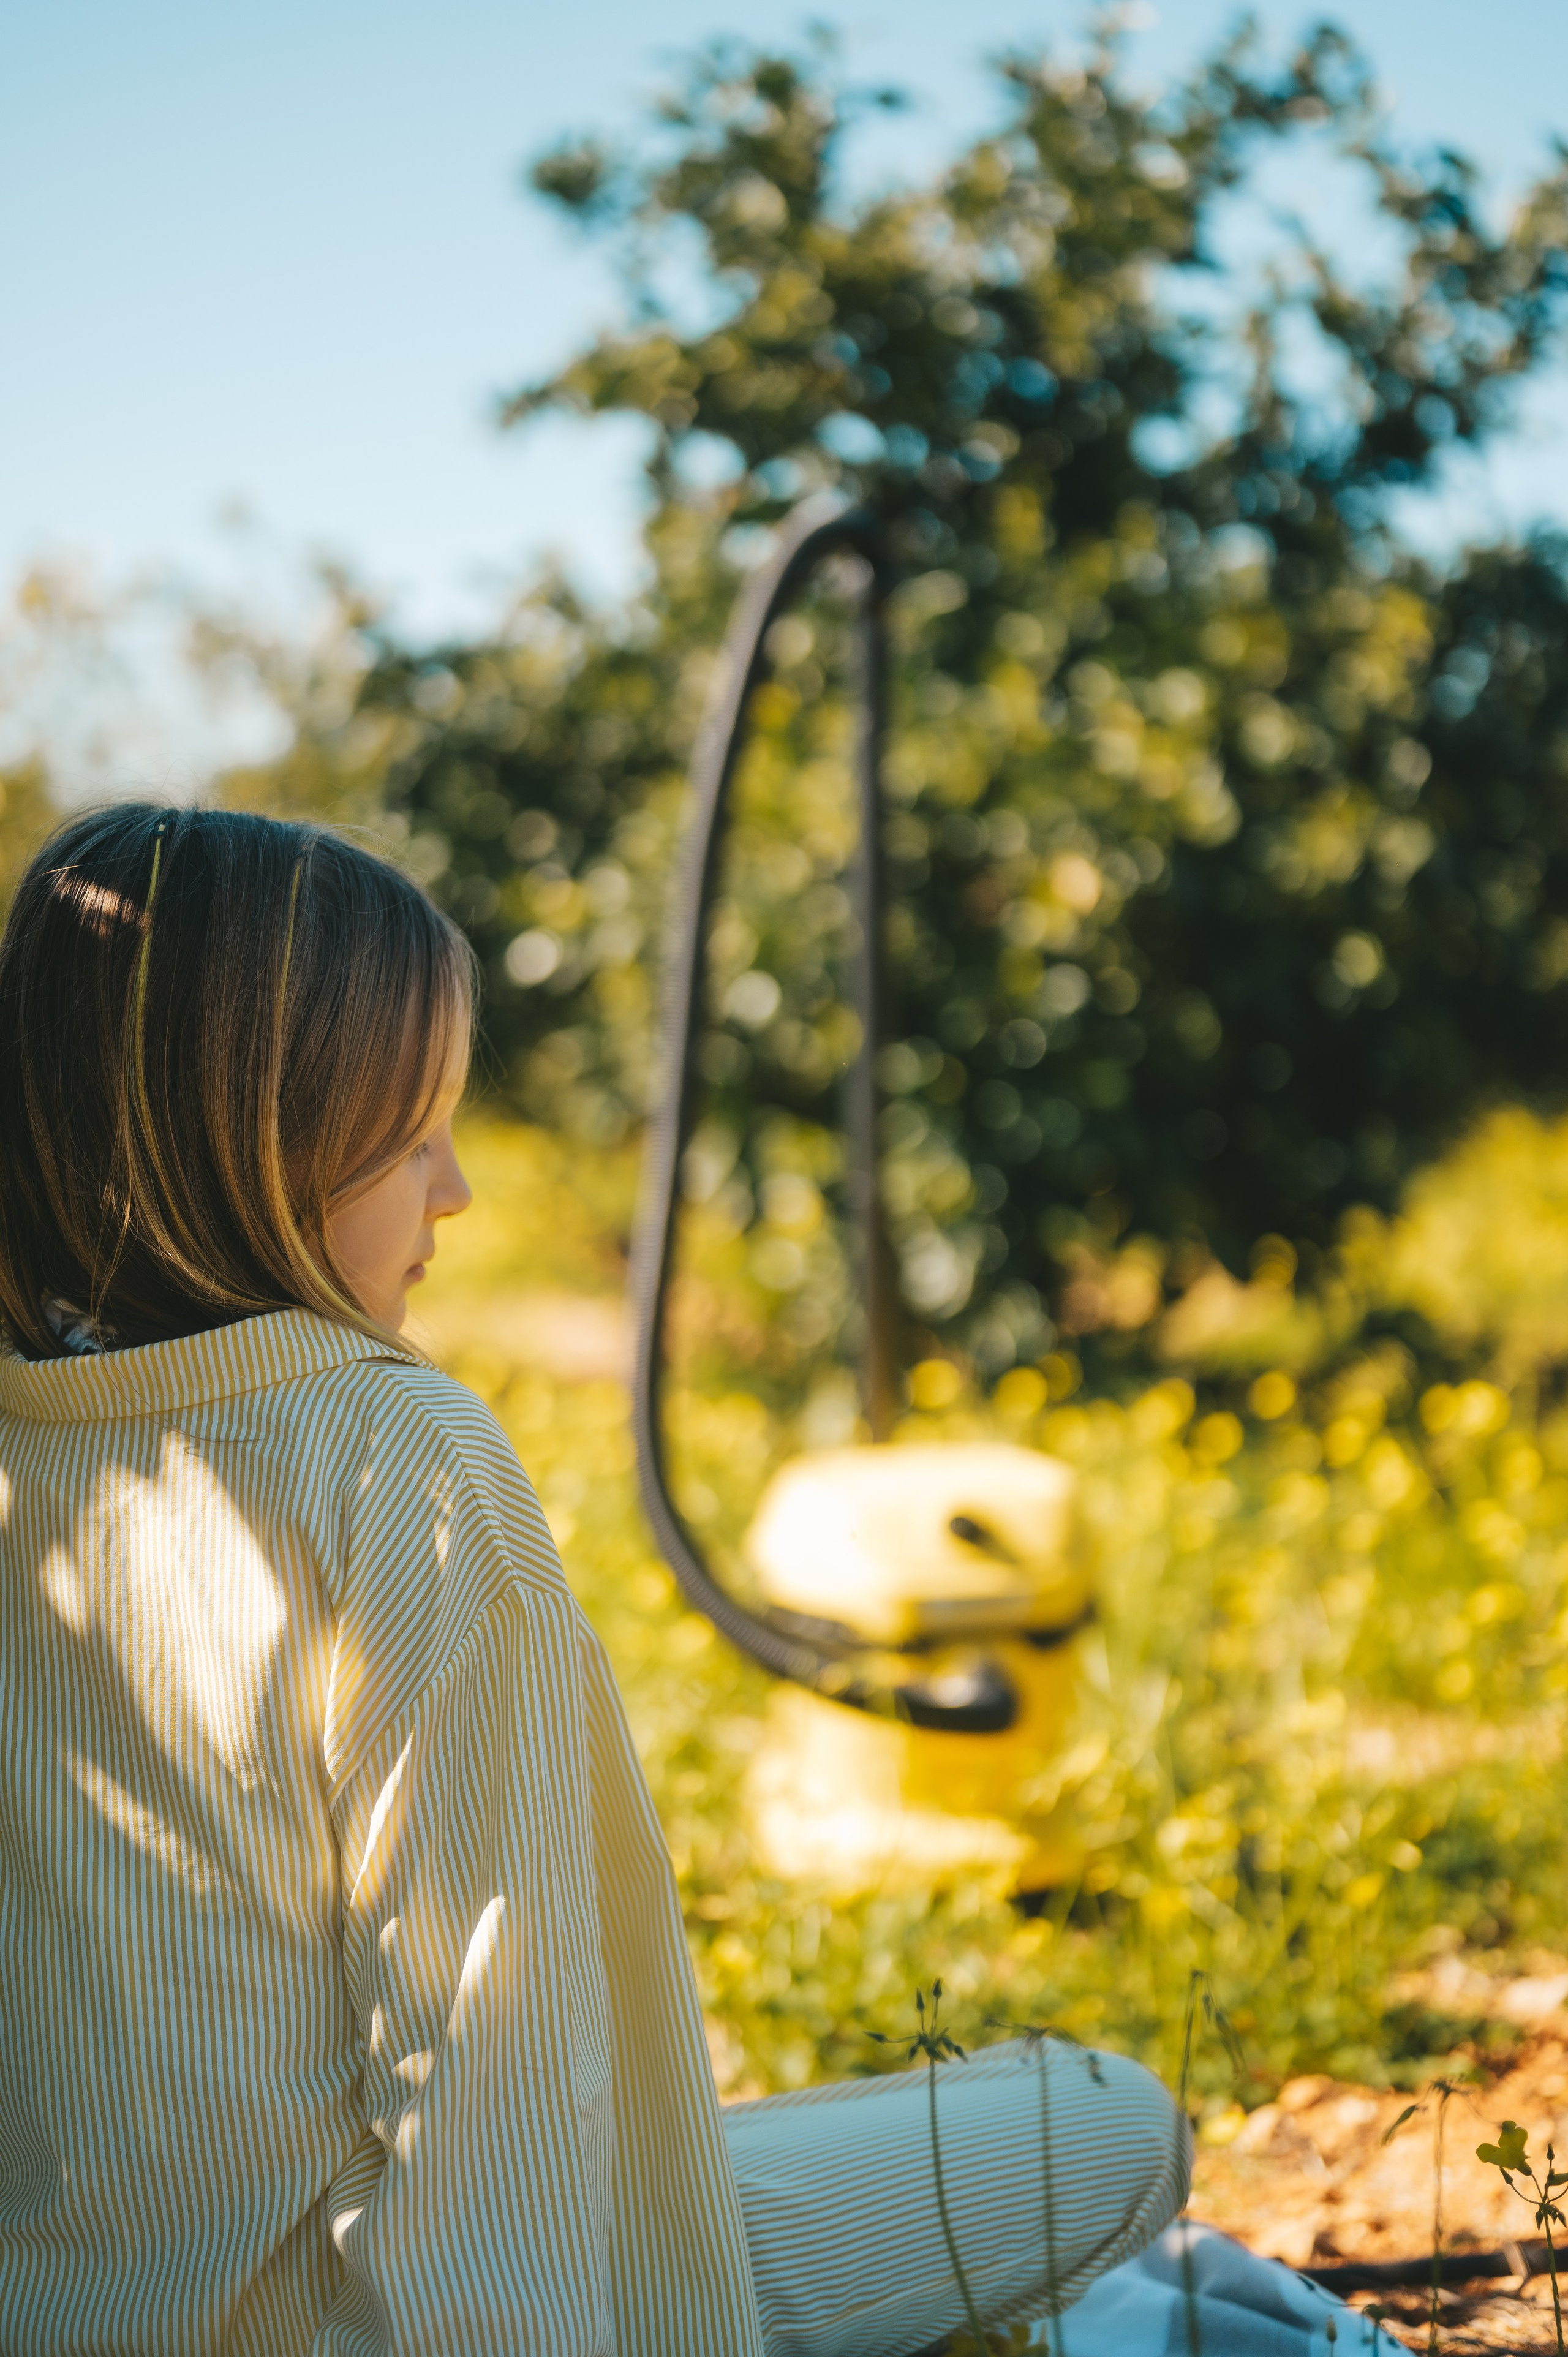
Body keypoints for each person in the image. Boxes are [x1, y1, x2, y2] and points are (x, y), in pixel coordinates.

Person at [0, 804, 1188, 2356]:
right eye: (409, 1134)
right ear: (259, 1145)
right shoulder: (389, 1452)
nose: (453, 1190)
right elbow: (479, 2049)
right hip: (391, 2315)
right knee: (1105, 2119)